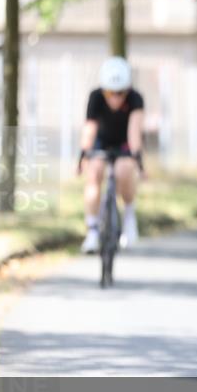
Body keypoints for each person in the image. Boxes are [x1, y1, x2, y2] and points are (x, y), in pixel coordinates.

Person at [77, 56, 144, 254]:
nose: (115, 98)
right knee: (94, 172)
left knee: (123, 171)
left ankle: (129, 216)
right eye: (110, 93)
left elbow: (134, 132)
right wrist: (83, 155)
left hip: (124, 142)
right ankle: (92, 232)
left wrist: (138, 160)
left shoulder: (135, 99)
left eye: (120, 93)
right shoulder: (96, 97)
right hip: (102, 141)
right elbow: (90, 128)